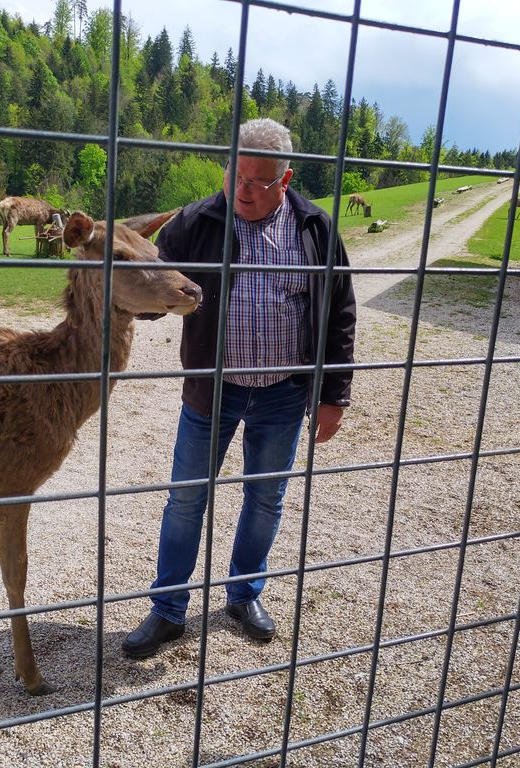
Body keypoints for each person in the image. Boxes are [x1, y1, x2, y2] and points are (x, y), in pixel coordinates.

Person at [122, 118, 357, 658]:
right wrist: (134, 298)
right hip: (212, 389)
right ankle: (168, 609)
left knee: (265, 498)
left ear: (285, 179)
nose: (243, 191)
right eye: (236, 176)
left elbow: (340, 312)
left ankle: (244, 594)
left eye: (258, 181)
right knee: (186, 499)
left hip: (283, 392)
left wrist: (333, 395)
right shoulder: (194, 222)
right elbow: (153, 288)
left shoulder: (315, 228)